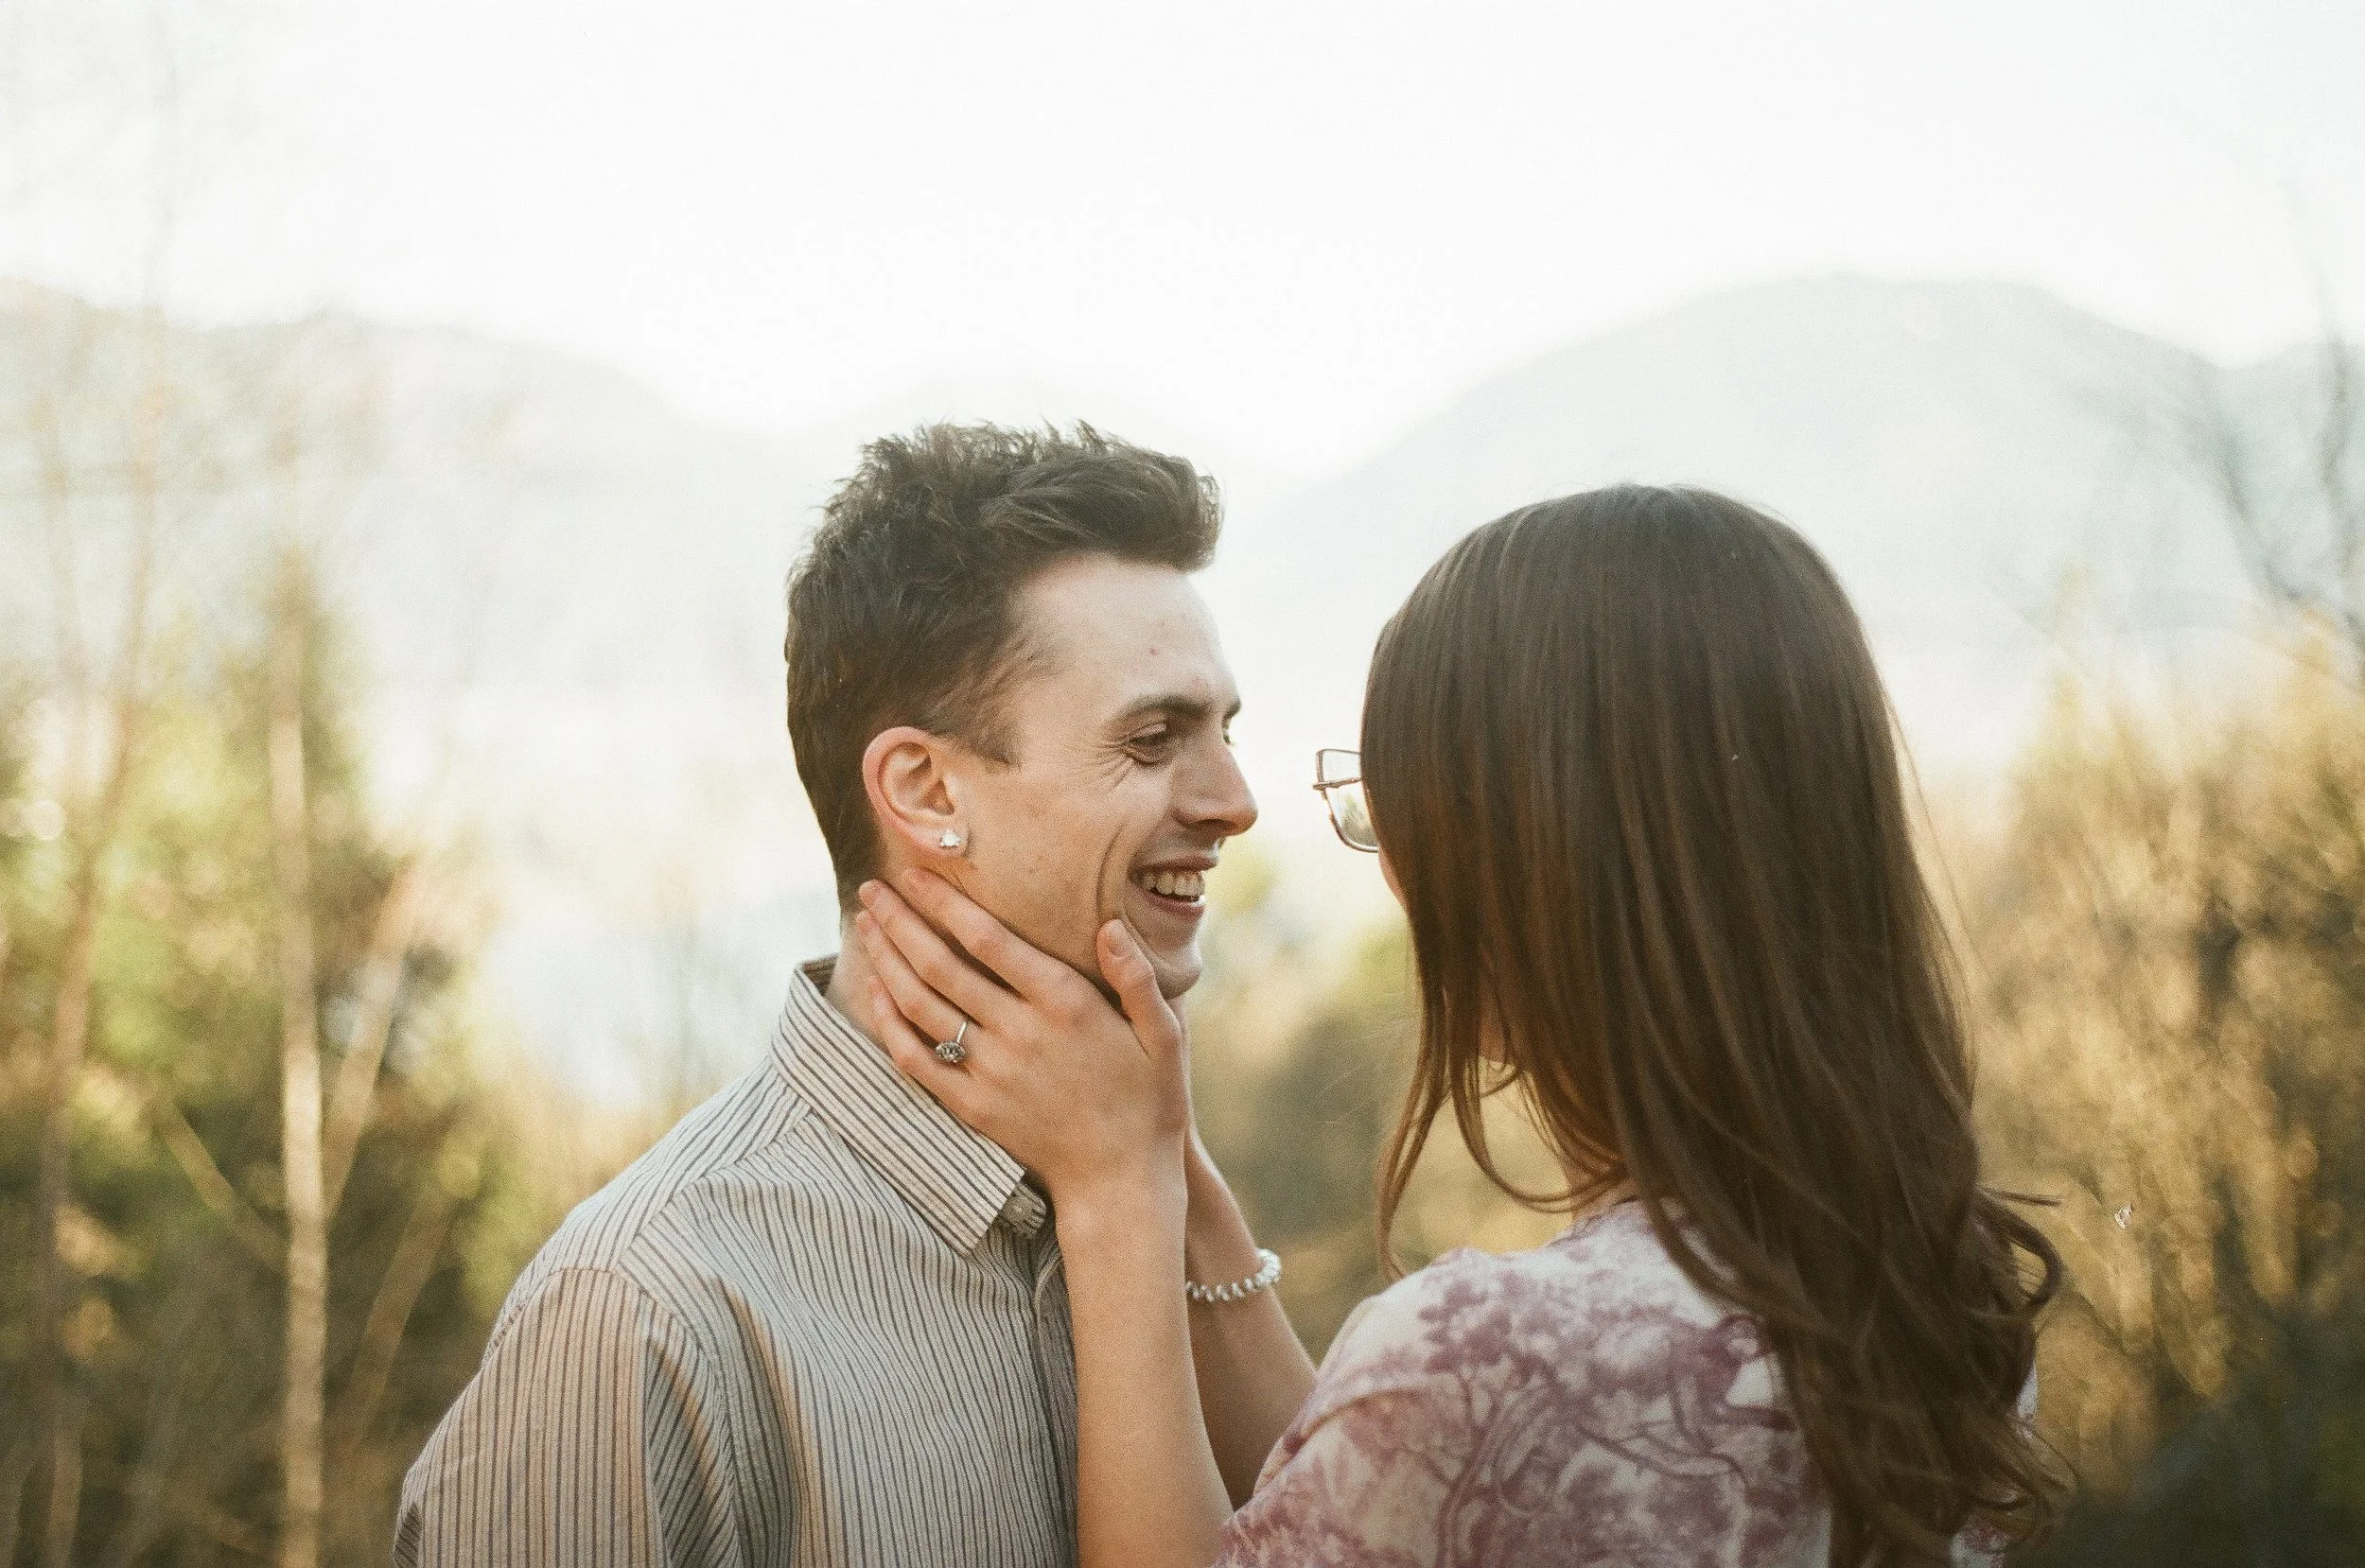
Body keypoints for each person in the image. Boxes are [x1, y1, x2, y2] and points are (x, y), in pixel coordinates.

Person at [854, 484, 2064, 1567]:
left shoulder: (1487, 1351)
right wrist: (1176, 1178)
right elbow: (1399, 1512)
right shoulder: (1934, 1298)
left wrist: (1116, 1195)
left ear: (1550, 856)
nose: (1399, 882)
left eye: (1402, 816)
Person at [394, 423, 1310, 1567]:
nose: (1233, 800)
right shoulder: (643, 1311)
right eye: (1152, 737)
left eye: (1224, 731)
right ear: (925, 789)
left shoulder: (1140, 1189)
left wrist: (1154, 1183)